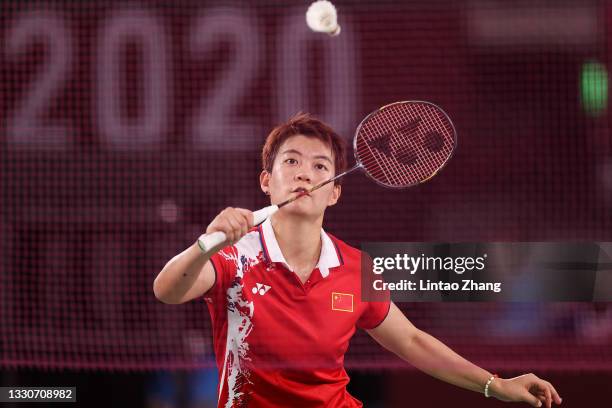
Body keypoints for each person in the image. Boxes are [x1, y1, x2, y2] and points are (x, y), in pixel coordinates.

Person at [153, 113, 562, 408]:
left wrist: (496, 385)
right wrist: (206, 243)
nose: (304, 175)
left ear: (334, 193)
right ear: (266, 181)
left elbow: (412, 341)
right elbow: (167, 290)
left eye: (320, 167)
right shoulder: (234, 256)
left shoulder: (355, 268)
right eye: (291, 161)